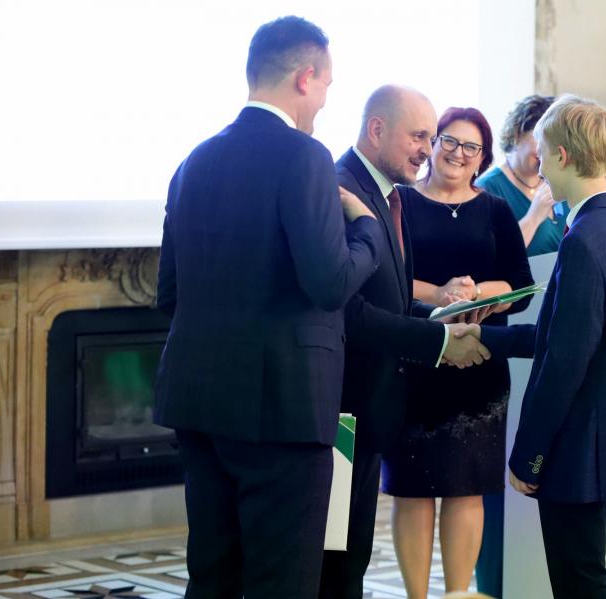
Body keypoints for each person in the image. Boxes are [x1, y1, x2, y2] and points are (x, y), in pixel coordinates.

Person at [154, 17, 382, 599]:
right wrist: (367, 230)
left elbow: (169, 293)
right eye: (327, 85)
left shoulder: (194, 161)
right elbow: (330, 283)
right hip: (283, 409)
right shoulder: (304, 156)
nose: (325, 100)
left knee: (213, 578)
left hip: (199, 402)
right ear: (305, 77)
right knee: (283, 583)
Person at [318, 85, 490, 599]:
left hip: (370, 410)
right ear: (377, 129)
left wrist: (442, 320)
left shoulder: (390, 195)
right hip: (339, 410)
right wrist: (437, 341)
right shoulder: (339, 190)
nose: (427, 150)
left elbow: (391, 301)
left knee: (351, 557)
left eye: (431, 138)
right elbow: (349, 311)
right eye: (419, 137)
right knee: (333, 563)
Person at [472, 96, 606, 598]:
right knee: (584, 579)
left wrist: (528, 456)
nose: (539, 164)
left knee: (578, 585)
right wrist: (482, 335)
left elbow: (565, 363)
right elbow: (557, 335)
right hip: (592, 442)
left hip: (573, 449)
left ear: (563, 156)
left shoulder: (584, 239)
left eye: (543, 153)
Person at [382, 107, 534, 599]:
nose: (457, 153)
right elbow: (387, 277)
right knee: (412, 489)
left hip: (478, 366)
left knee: (467, 487)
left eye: (471, 146)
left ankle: (457, 594)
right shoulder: (400, 201)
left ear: (482, 157)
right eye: (448, 140)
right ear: (433, 144)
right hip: (415, 361)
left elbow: (520, 285)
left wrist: (476, 293)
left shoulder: (496, 210)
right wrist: (441, 293)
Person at [477, 95, 568, 257]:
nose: (550, 150)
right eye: (543, 139)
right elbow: (488, 258)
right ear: (517, 135)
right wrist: (533, 217)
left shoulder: (558, 180)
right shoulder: (487, 188)